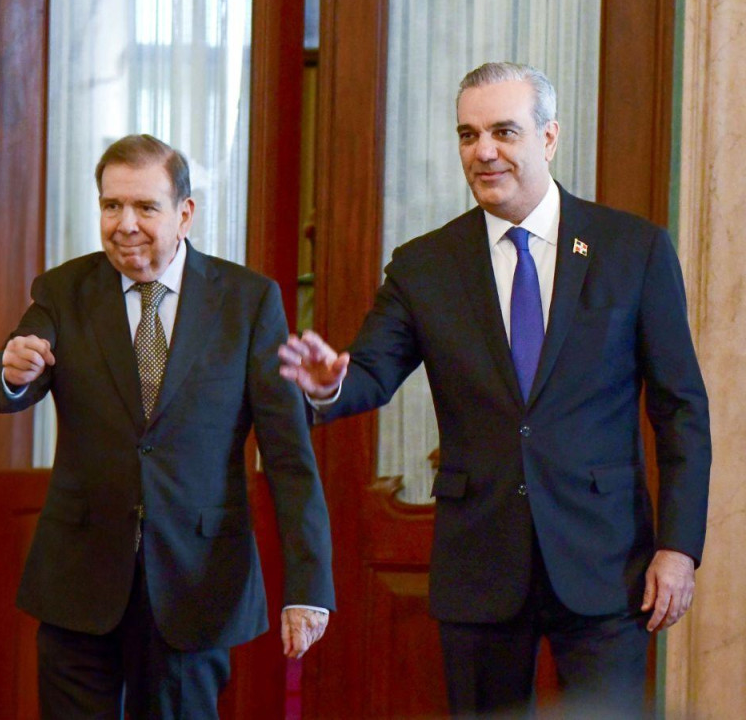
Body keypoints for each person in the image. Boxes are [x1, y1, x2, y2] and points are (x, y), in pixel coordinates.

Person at [278, 63, 711, 718]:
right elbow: (367, 372)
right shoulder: (426, 265)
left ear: (548, 137)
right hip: (481, 567)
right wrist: (327, 386)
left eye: (504, 131)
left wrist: (678, 548)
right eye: (468, 134)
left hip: (605, 563)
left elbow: (681, 410)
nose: (483, 151)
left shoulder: (632, 249)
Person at [0, 134, 335, 719]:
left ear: (184, 213)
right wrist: (11, 371)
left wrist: (309, 587)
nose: (125, 224)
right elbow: (2, 383)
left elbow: (288, 455)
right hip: (79, 577)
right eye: (111, 205)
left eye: (145, 207)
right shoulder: (64, 291)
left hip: (197, 581)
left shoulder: (246, 302)